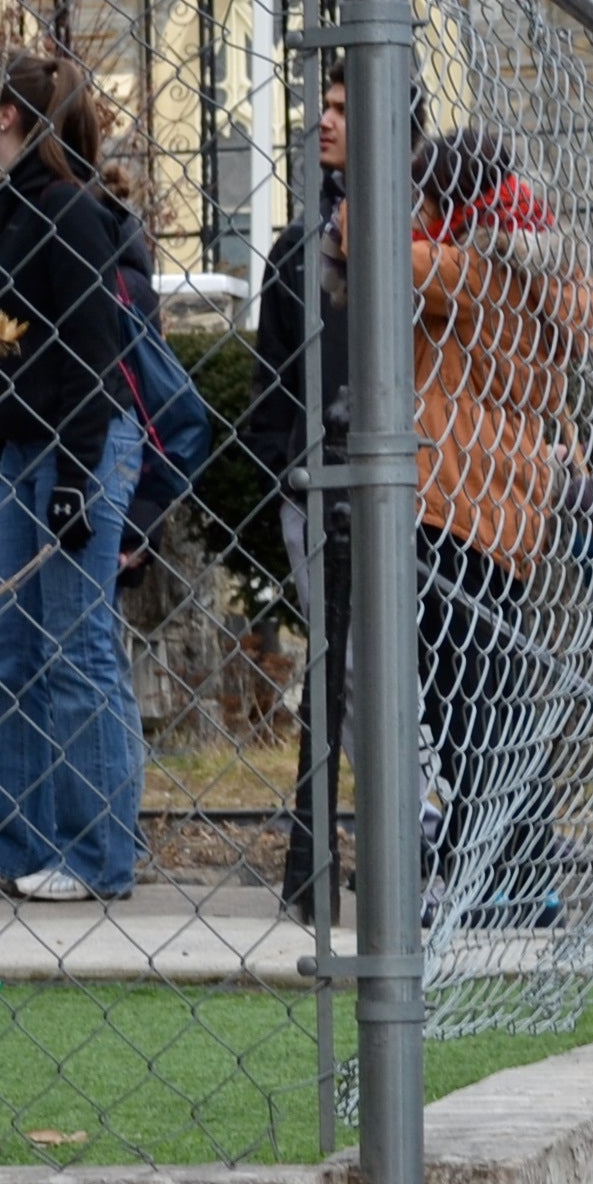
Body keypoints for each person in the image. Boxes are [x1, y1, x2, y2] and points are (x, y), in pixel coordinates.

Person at [0, 51, 149, 904]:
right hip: (20, 452)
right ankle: (10, 842)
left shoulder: (68, 211)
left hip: (80, 443)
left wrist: (76, 475)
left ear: (5, 115)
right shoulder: (4, 212)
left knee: (76, 651)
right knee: (6, 649)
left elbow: (92, 355)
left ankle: (96, 854)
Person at [410, 127, 585, 908]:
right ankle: (525, 870)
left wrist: (361, 200)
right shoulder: (537, 273)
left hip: (448, 499)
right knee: (495, 695)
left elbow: (371, 244)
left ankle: (503, 874)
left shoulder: (466, 271)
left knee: (463, 706)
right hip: (509, 510)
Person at [248, 75, 355, 919]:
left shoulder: (419, 244)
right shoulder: (294, 252)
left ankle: (424, 829)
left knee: (410, 673)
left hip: (417, 494)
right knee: (339, 671)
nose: (323, 120)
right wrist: (285, 467)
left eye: (346, 109)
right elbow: (270, 383)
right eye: (322, 105)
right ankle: (313, 860)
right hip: (314, 488)